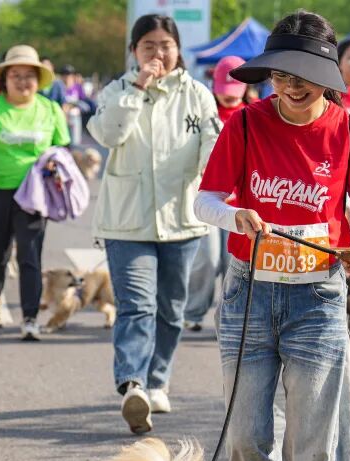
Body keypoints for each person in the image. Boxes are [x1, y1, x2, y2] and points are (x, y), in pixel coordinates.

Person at [195, 10, 350, 461]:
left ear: (327, 77)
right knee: (247, 434)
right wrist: (235, 215)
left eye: (304, 75)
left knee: (316, 443)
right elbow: (204, 202)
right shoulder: (245, 124)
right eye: (280, 74)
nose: (291, 86)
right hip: (250, 290)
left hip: (318, 296)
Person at [88, 14, 219, 432]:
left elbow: (212, 146)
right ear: (134, 52)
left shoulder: (198, 95)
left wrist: (213, 186)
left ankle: (158, 379)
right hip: (127, 221)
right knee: (136, 305)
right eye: (148, 46)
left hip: (180, 219)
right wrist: (137, 87)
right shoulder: (116, 91)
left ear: (178, 49)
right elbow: (108, 135)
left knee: (171, 307)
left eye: (165, 44)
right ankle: (133, 384)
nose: (158, 53)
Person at [0, 44, 71, 341]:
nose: (23, 81)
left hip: (36, 193)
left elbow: (62, 148)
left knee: (30, 255)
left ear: (38, 80)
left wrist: (57, 170)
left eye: (29, 76)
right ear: (5, 79)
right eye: (16, 75)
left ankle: (30, 317)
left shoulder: (49, 109)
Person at [184, 55, 247, 333]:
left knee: (231, 262)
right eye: (224, 89)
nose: (229, 97)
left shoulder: (253, 114)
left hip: (241, 205)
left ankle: (229, 316)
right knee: (206, 260)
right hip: (209, 200)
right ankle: (194, 311)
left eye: (235, 90)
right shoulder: (204, 114)